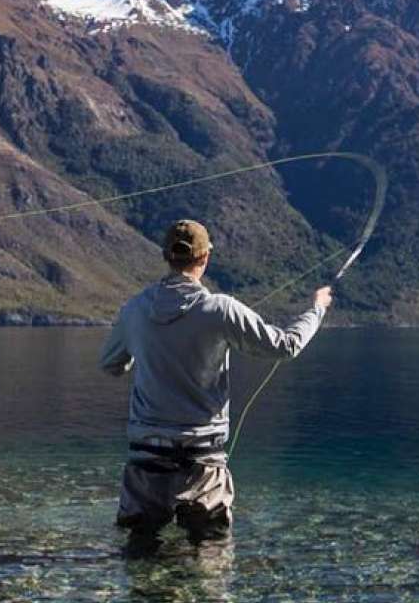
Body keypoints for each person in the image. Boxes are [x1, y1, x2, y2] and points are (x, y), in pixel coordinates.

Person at [98, 219, 333, 551]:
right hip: (203, 465)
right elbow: (285, 346)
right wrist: (316, 310)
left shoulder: (134, 309)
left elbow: (111, 365)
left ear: (166, 256)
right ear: (205, 258)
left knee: (141, 566)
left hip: (145, 461)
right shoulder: (220, 309)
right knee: (209, 567)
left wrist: (145, 352)